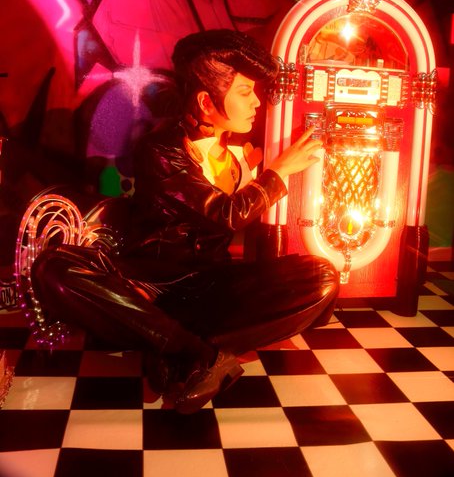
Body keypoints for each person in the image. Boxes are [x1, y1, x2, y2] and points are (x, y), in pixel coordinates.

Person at [31, 30, 339, 414]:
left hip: (206, 289)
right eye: (245, 92)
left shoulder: (238, 155)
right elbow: (225, 213)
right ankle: (194, 353)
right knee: (53, 267)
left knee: (322, 277)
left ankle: (166, 346)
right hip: (146, 288)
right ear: (206, 102)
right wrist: (277, 174)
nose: (256, 102)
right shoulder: (161, 151)